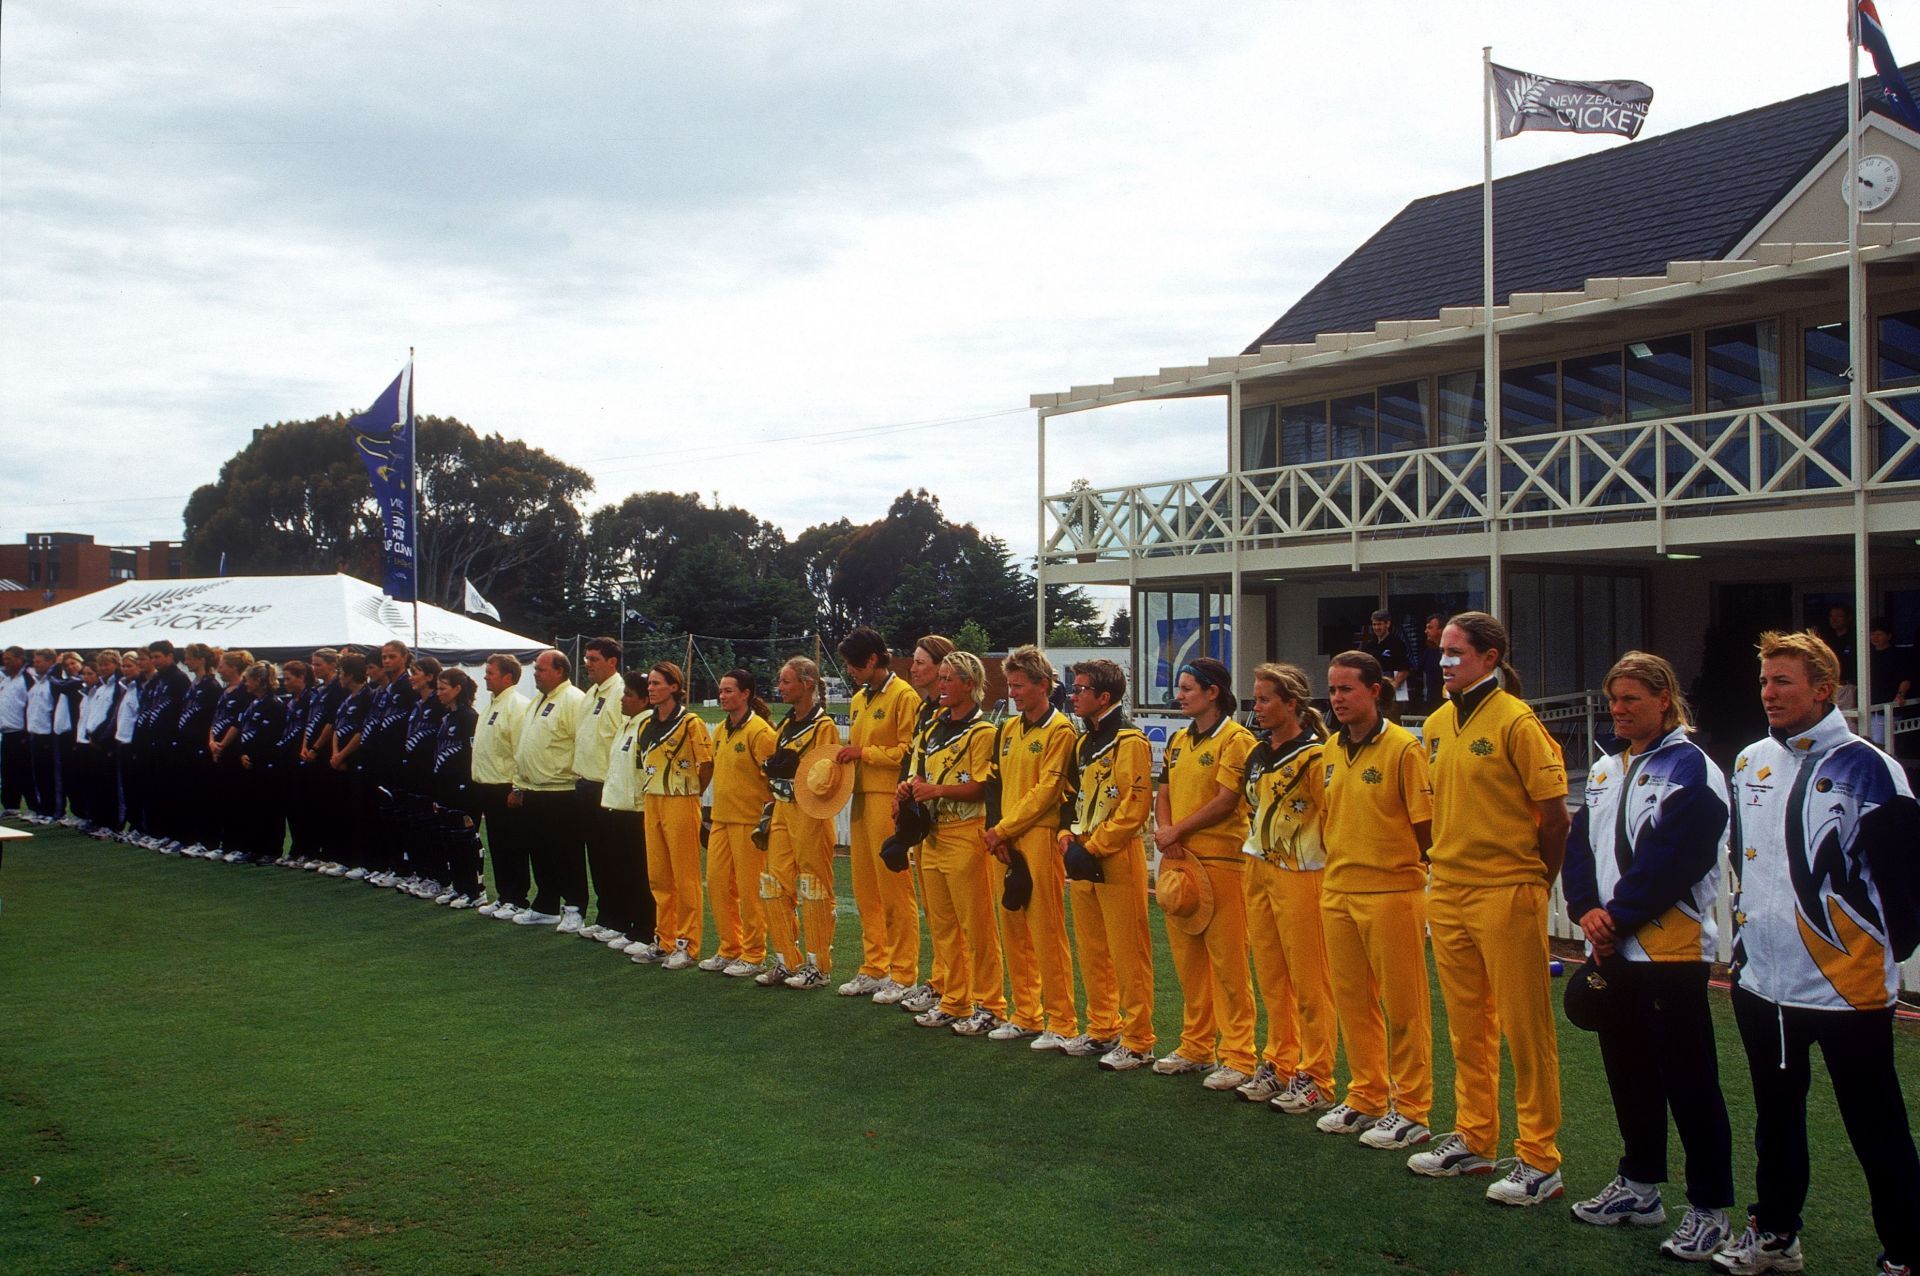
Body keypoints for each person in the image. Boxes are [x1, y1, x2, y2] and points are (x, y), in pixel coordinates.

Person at [1713, 630, 1920, 1276]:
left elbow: (1906, 883)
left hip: (1847, 989)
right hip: (1763, 985)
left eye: (1783, 682)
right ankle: (1776, 1235)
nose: (1769, 693)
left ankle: (1906, 1252)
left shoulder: (1872, 768)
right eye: (1765, 681)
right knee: (1775, 1121)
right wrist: (1749, 951)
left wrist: (1876, 955)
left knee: (1876, 1126)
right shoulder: (1749, 762)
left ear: (1823, 689)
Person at [1562, 651, 1735, 1262]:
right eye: (1614, 699)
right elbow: (1578, 844)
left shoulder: (1696, 770)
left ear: (1665, 699)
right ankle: (1639, 1187)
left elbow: (1678, 858)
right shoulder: (1609, 769)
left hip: (1670, 953)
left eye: (1632, 698)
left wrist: (1617, 918)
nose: (1619, 709)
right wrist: (1586, 909)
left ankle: (1710, 1208)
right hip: (1611, 949)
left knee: (1689, 1082)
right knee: (1628, 1073)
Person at [1411, 611, 1571, 1206]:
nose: (1446, 662)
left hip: (1507, 889)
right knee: (1467, 1024)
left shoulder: (1517, 723)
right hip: (1448, 887)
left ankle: (1539, 1159)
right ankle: (1475, 1137)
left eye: (1457, 652)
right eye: (1442, 652)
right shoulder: (1434, 725)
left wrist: (1535, 880)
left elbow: (1555, 819)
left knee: (1526, 1030)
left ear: (1491, 657)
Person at [1317, 652, 1436, 1147]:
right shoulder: (1329, 749)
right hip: (1338, 888)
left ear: (1376, 691)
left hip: (1392, 892)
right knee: (1352, 1001)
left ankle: (1412, 1109)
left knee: (1405, 1006)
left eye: (1348, 689)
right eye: (1334, 690)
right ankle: (1367, 1094)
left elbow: (1426, 827)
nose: (1338, 699)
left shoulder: (1405, 749)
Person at [1150, 656, 1258, 1091]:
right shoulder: (1178, 740)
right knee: (1188, 961)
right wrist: (1165, 831)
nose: (1180, 695)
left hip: (1222, 861)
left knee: (1229, 964)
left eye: (1188, 688)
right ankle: (1196, 1045)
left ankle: (1239, 1054)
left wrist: (1177, 829)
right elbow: (1164, 791)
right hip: (1180, 860)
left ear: (1213, 692)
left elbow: (1226, 800)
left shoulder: (1236, 739)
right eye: (1180, 687)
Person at [1236, 662, 1339, 1111]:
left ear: (1291, 704)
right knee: (1272, 976)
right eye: (1256, 699)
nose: (1256, 707)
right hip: (1259, 867)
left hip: (1303, 873)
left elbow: (1331, 817)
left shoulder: (1315, 755)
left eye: (1264, 699)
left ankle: (1317, 1076)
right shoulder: (1258, 754)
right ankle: (1279, 1062)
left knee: (1310, 979)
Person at [1057, 658, 1157, 1071]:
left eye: (1081, 690)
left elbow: (1135, 807)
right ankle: (1102, 1026)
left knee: (1128, 950)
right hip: (1082, 852)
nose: (1074, 696)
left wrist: (1094, 846)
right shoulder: (1084, 741)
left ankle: (1138, 1040)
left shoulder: (1129, 740)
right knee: (1092, 947)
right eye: (1074, 689)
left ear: (1104, 696)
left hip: (1114, 854)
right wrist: (1067, 837)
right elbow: (1070, 794)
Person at [982, 645, 1081, 1048]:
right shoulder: (1007, 729)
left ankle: (1062, 1021)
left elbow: (1047, 791)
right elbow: (994, 784)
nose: (1013, 693)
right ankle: (1026, 1013)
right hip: (1004, 839)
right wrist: (996, 831)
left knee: (1046, 930)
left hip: (1038, 837)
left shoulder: (1061, 731)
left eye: (1020, 685)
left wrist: (1002, 829)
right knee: (1013, 926)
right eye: (1010, 685)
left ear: (1044, 685)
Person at [900, 650, 1003, 1034]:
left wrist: (935, 789)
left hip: (965, 833)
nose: (940, 685)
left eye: (948, 679)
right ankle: (955, 999)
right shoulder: (932, 726)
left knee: (976, 925)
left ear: (969, 685)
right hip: (932, 834)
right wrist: (906, 789)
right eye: (940, 677)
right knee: (942, 924)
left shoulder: (983, 732)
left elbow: (983, 786)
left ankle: (991, 1003)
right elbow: (916, 772)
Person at [834, 627, 923, 1001]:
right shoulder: (858, 699)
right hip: (860, 799)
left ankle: (903, 974)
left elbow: (908, 752)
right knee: (866, 889)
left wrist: (864, 753)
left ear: (873, 660)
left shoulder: (904, 696)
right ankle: (874, 967)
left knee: (894, 889)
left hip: (888, 799)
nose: (850, 671)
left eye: (854, 664)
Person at [756, 656, 840, 989]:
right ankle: (786, 960)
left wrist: (795, 768)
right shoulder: (785, 724)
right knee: (774, 882)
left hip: (809, 811)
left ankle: (818, 966)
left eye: (787, 681)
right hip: (781, 807)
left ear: (806, 683)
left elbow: (828, 773)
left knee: (814, 884)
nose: (780, 687)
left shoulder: (823, 725)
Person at [631, 661, 713, 970]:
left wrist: (693, 792)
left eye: (656, 683)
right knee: (658, 875)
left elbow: (707, 764)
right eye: (649, 684)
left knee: (685, 875)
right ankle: (663, 939)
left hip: (681, 800)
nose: (650, 689)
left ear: (674, 687)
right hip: (653, 801)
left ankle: (687, 944)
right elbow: (643, 766)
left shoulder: (691, 723)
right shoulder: (644, 724)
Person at [891, 633, 955, 1013]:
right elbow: (912, 757)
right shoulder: (923, 710)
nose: (912, 668)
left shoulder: (951, 712)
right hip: (922, 816)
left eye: (920, 663)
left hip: (950, 820)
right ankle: (942, 980)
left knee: (952, 912)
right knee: (935, 908)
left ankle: (958, 986)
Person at [507, 649, 588, 928]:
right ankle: (546, 905)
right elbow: (524, 744)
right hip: (533, 789)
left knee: (566, 853)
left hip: (561, 791)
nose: (536, 674)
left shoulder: (574, 700)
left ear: (559, 671)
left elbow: (583, 743)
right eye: (536, 669)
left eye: (541, 669)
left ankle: (575, 907)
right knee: (540, 852)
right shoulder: (538, 701)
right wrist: (518, 785)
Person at [703, 668, 775, 977]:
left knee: (749, 891)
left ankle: (754, 953)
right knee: (718, 886)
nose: (723, 695)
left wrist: (767, 822)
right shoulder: (720, 730)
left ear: (745, 694)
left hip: (749, 823)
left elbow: (775, 781)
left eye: (729, 690)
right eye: (721, 690)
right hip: (721, 819)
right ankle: (729, 948)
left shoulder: (760, 733)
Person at [571, 638, 633, 942]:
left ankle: (620, 919)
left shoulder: (620, 693)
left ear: (612, 662)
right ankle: (606, 915)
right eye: (587, 659)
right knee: (596, 856)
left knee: (613, 858)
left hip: (607, 788)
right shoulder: (591, 693)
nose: (588, 665)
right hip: (585, 783)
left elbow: (624, 741)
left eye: (594, 659)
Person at [599, 670, 655, 954]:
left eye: (628, 695)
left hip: (637, 811)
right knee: (622, 871)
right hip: (618, 808)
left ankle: (646, 930)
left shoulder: (647, 727)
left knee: (640, 874)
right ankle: (629, 924)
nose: (622, 699)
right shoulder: (627, 725)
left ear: (645, 699)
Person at [472, 655, 531, 918]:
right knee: (497, 843)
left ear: (508, 677)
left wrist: (517, 787)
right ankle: (505, 895)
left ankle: (518, 898)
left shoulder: (516, 705)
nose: (485, 676)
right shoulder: (492, 704)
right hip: (488, 785)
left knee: (513, 844)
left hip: (506, 786)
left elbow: (521, 749)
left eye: (491, 673)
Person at [429, 669, 482, 908]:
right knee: (449, 838)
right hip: (444, 786)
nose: (439, 693)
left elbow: (471, 756)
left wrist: (466, 787)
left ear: (457, 689)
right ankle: (458, 887)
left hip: (462, 787)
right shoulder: (446, 717)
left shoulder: (469, 717)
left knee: (465, 839)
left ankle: (474, 891)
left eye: (443, 688)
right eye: (438, 688)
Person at [324, 651, 374, 877]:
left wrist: (342, 755)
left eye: (341, 672)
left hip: (355, 761)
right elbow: (337, 726)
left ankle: (359, 860)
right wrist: (335, 754)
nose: (339, 677)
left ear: (351, 674)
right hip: (340, 761)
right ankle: (343, 858)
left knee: (358, 812)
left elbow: (360, 732)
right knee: (341, 810)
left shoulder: (367, 696)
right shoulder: (346, 698)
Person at [234, 661, 288, 865]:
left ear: (258, 680)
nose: (245, 683)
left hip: (266, 766)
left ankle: (271, 850)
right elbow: (244, 730)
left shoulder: (274, 705)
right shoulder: (252, 703)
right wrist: (242, 753)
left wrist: (255, 756)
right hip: (249, 764)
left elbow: (271, 737)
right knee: (253, 807)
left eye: (247, 679)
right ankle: (254, 847)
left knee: (269, 808)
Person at [206, 649, 256, 861]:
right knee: (222, 799)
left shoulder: (244, 692)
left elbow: (238, 722)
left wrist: (223, 745)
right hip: (218, 750)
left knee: (237, 800)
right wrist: (211, 743)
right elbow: (215, 718)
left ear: (234, 667)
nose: (219, 669)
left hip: (232, 752)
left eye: (223, 665)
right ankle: (225, 843)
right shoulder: (225, 691)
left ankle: (238, 844)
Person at [272, 661, 313, 866]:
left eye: (289, 679)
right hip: (286, 759)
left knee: (302, 806)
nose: (285, 683)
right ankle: (296, 849)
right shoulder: (289, 702)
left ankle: (306, 849)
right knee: (291, 806)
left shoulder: (310, 700)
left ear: (302, 677)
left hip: (301, 760)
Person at [1359, 610, 1410, 720]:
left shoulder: (1397, 644)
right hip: (1372, 692)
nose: (1377, 627)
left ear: (1388, 624)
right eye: (1374, 624)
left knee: (1390, 722)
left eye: (1380, 624)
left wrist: (1392, 688)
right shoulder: (1369, 646)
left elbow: (1404, 670)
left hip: (1391, 693)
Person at [0, 647, 31, 822]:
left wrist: (28, 730)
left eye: (9, 659)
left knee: (24, 771)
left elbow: (31, 704)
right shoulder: (6, 680)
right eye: (5, 659)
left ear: (20, 659)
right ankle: (11, 806)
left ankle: (35, 807)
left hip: (21, 733)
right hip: (7, 733)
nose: (6, 662)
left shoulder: (26, 679)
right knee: (8, 771)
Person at [1416, 613, 1447, 715]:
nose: (1426, 631)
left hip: (1448, 705)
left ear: (1441, 630)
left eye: (1430, 628)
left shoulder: (1453, 653)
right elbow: (1417, 673)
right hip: (1431, 706)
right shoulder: (1429, 652)